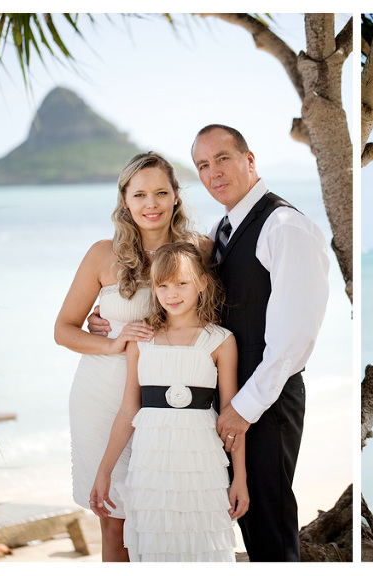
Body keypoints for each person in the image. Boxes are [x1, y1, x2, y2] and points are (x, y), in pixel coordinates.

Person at [89, 125, 330, 561]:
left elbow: (295, 338)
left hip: (264, 401)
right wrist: (108, 316)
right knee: (251, 529)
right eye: (203, 165)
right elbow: (189, 304)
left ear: (250, 159)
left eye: (223, 158)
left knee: (271, 530)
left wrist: (243, 407)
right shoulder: (221, 231)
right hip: (227, 402)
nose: (214, 172)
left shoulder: (285, 226)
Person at [55, 152, 208, 561]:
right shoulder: (102, 255)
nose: (151, 203)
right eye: (139, 194)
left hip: (168, 398)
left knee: (169, 510)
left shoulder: (202, 251)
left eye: (161, 192)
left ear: (176, 196)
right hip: (102, 396)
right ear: (125, 200)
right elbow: (63, 329)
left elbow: (211, 324)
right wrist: (111, 342)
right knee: (114, 516)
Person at [89, 242, 248, 561]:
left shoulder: (220, 341)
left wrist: (240, 479)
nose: (172, 293)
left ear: (202, 283)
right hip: (151, 464)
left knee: (203, 544)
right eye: (162, 285)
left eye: (181, 283)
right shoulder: (141, 341)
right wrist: (103, 471)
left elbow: (232, 419)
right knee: (155, 543)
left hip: (201, 463)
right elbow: (127, 411)